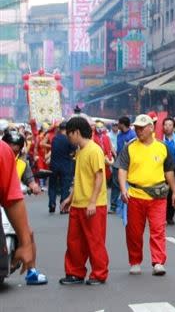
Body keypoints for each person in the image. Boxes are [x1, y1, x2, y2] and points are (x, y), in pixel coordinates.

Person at [116, 114, 175, 276]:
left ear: (151, 128)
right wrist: (123, 189)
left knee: (158, 229)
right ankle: (135, 261)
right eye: (136, 128)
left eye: (142, 128)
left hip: (157, 196)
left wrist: (174, 191)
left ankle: (158, 262)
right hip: (135, 195)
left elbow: (169, 171)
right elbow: (122, 169)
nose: (139, 131)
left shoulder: (163, 147)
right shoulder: (129, 147)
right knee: (134, 231)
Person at [58, 115, 109, 286]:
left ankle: (99, 273)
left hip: (94, 204)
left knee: (95, 241)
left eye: (69, 134)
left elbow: (99, 178)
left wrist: (93, 202)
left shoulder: (94, 150)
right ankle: (75, 272)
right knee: (74, 242)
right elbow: (79, 178)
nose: (68, 138)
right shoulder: (80, 151)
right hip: (78, 203)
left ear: (77, 132)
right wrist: (70, 198)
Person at [1, 128, 47, 285]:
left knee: (28, 233)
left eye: (15, 150)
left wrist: (34, 187)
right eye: (9, 147)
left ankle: (31, 270)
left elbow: (29, 181)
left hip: (9, 205)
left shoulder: (20, 163)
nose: (12, 152)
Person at [3, 128, 41, 195]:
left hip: (13, 199)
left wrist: (34, 186)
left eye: (15, 152)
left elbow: (29, 179)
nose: (11, 154)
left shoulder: (23, 163)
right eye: (9, 150)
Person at [49, 122, 76, 214]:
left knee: (52, 185)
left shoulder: (55, 138)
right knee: (65, 186)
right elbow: (73, 150)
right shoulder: (68, 139)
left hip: (54, 165)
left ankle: (52, 204)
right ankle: (63, 206)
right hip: (66, 165)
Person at [112, 116, 136, 213]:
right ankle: (113, 206)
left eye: (119, 123)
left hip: (129, 162)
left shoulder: (133, 135)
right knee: (115, 183)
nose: (117, 125)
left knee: (128, 183)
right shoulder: (119, 135)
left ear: (122, 124)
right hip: (118, 160)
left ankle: (128, 203)